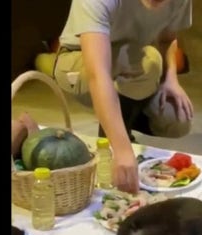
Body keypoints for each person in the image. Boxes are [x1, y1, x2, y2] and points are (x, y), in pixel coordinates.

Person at [53, 0, 194, 194]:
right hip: (79, 63)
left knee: (176, 119)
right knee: (149, 61)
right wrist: (122, 150)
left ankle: (123, 122)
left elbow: (167, 38)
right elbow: (98, 74)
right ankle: (117, 140)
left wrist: (170, 80)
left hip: (135, 65)